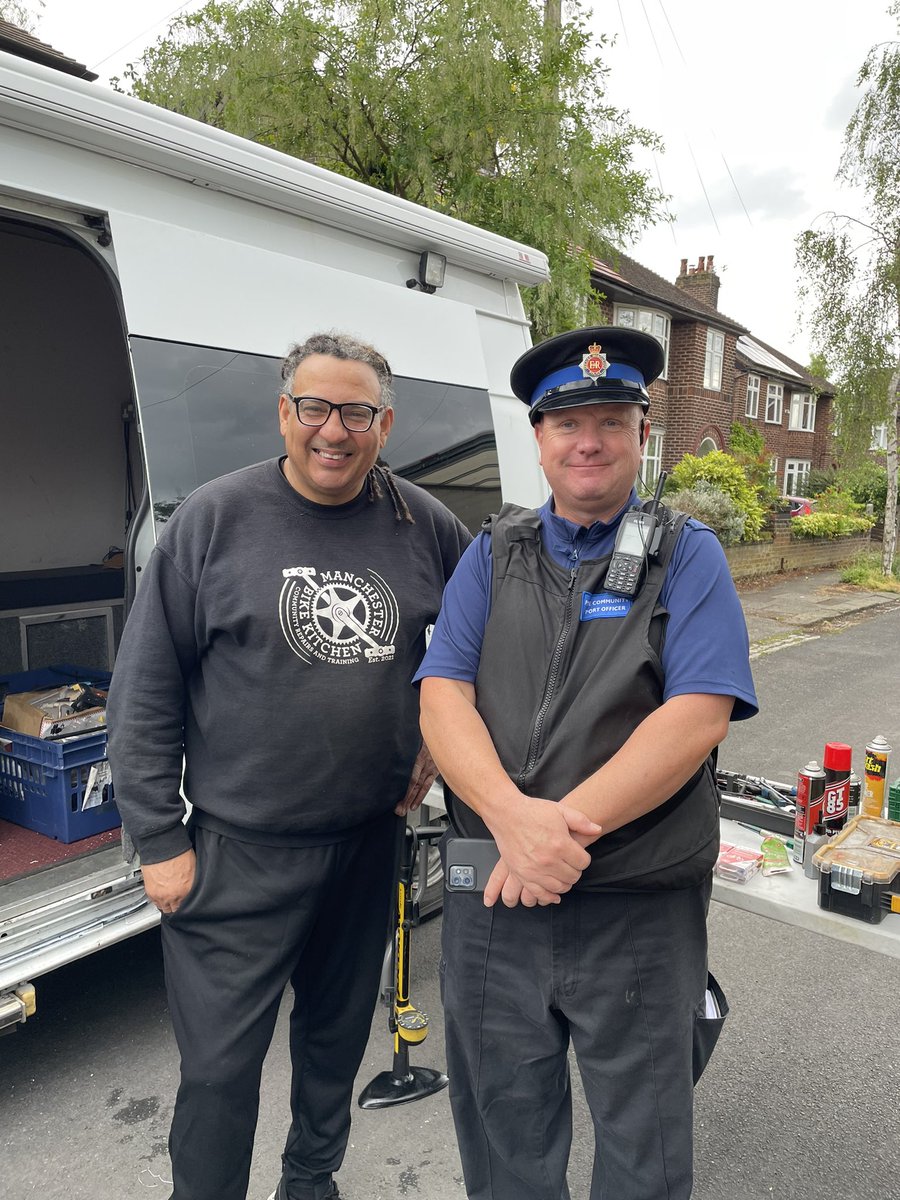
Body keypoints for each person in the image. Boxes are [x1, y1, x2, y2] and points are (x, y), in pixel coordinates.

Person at [107, 331, 471, 1200]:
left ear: (386, 422)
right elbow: (144, 688)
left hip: (365, 844)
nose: (333, 431)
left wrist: (439, 728)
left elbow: (484, 635)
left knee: (334, 1043)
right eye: (315, 407)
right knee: (219, 1071)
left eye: (356, 412)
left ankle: (311, 1181)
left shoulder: (425, 523)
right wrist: (159, 837)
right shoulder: (215, 519)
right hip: (237, 854)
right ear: (285, 414)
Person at [417, 326, 758, 1200]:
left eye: (612, 418)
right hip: (496, 902)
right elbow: (442, 697)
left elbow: (696, 715)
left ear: (644, 432)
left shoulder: (689, 557)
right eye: (569, 424)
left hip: (634, 907)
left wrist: (554, 834)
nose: (590, 440)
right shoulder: (491, 555)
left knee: (642, 1148)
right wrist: (511, 821)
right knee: (504, 1144)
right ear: (539, 439)